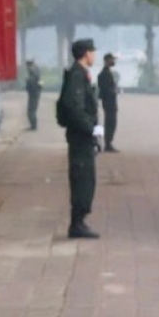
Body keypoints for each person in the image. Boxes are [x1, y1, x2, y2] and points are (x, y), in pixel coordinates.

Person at [57, 38, 104, 239]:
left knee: (87, 179)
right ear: (86, 53)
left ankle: (80, 219)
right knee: (82, 178)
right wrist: (90, 128)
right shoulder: (77, 75)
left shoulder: (81, 74)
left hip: (84, 136)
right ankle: (77, 223)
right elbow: (73, 108)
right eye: (93, 51)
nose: (94, 55)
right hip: (80, 137)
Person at [97, 53, 120, 152]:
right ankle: (107, 143)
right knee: (110, 122)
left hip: (110, 101)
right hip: (108, 101)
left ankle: (108, 142)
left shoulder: (107, 73)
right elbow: (105, 89)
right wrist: (113, 91)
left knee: (111, 122)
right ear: (107, 60)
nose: (113, 61)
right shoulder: (104, 74)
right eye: (112, 59)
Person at [25, 58, 42, 130]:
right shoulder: (36, 72)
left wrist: (28, 82)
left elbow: (33, 83)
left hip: (34, 94)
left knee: (31, 111)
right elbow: (41, 83)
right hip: (35, 93)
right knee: (31, 111)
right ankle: (33, 126)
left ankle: (33, 126)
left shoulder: (33, 73)